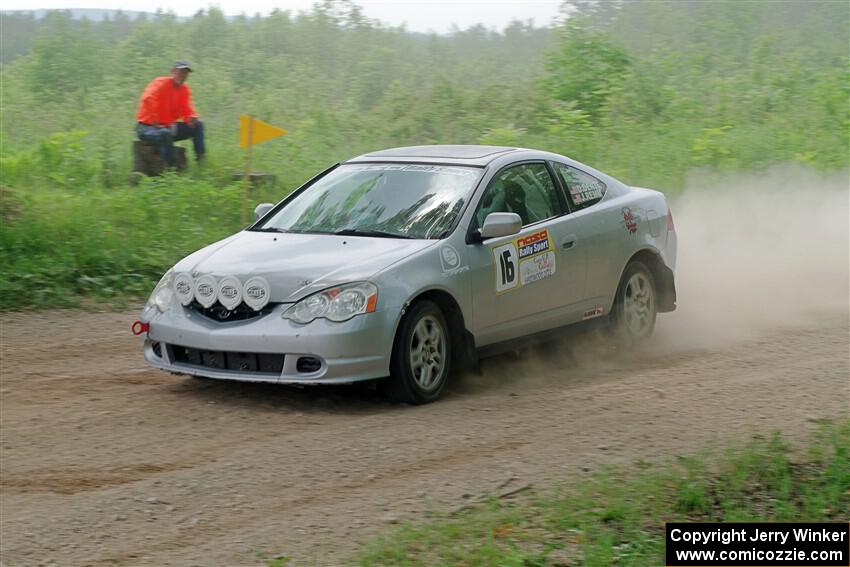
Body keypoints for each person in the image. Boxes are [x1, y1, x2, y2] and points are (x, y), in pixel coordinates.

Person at [135, 60, 205, 167]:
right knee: (165, 133)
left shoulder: (184, 90)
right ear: (173, 71)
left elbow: (186, 109)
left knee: (198, 125)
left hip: (167, 127)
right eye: (181, 72)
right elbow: (147, 99)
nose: (183, 75)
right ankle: (170, 170)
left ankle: (201, 161)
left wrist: (191, 118)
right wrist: (155, 121)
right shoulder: (160, 82)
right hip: (147, 128)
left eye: (186, 73)